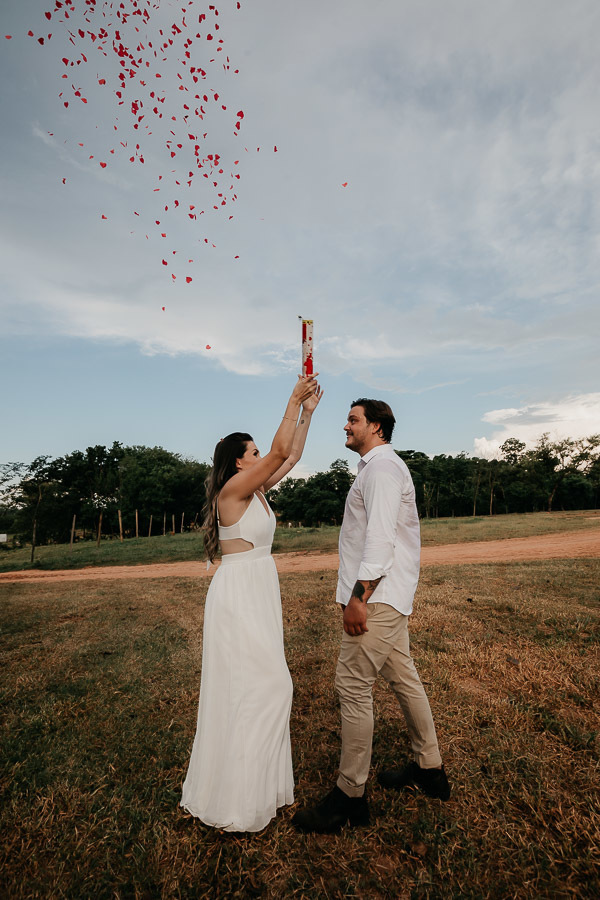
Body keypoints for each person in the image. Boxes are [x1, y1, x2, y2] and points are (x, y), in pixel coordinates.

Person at [292, 398, 450, 834]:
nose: (346, 426)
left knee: (352, 685)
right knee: (404, 678)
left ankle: (349, 797)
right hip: (388, 596)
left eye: (353, 420)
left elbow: (379, 541)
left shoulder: (381, 470)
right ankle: (429, 767)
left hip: (377, 599)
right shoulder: (378, 468)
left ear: (376, 427)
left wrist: (359, 597)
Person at [180, 374, 322, 832]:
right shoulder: (233, 493)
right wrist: (290, 399)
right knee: (263, 688)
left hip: (259, 589)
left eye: (259, 452)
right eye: (254, 453)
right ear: (239, 463)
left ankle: (258, 789)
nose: (262, 457)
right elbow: (280, 453)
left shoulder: (255, 490)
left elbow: (292, 454)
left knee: (262, 688)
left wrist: (307, 414)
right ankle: (238, 800)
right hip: (238, 596)